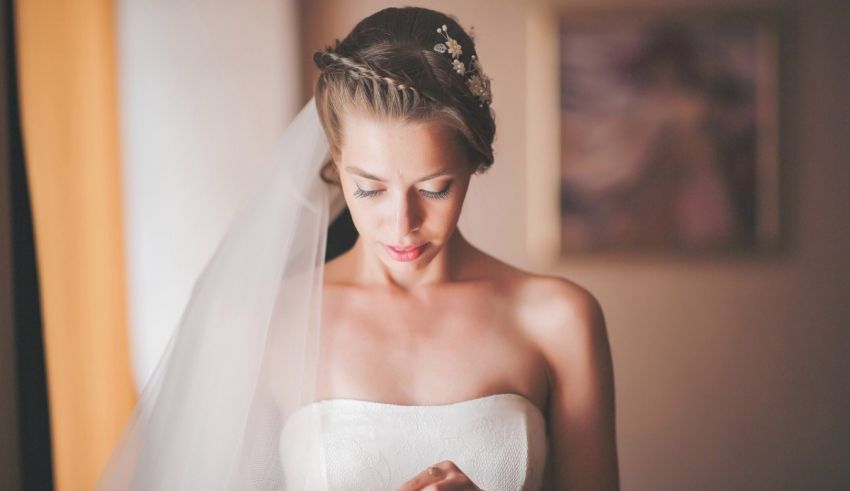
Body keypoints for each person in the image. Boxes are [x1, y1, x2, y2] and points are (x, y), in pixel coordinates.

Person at [97, 6, 618, 491]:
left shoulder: (559, 319)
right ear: (335, 166)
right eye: (369, 189)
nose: (402, 224)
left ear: (473, 163)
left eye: (434, 188)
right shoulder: (261, 323)